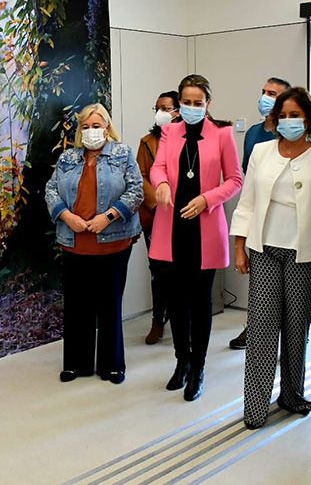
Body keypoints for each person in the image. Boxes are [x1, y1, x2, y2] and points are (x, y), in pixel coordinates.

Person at [230, 87, 311, 428]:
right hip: (264, 249)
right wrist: (239, 246)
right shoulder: (261, 153)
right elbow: (246, 202)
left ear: (309, 119)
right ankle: (255, 405)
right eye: (283, 115)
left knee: (296, 329)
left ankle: (292, 394)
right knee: (262, 329)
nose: (288, 121)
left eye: (296, 115)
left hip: (305, 255)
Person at [150, 74, 243, 401]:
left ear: (208, 104)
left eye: (197, 103)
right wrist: (161, 182)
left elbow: (235, 179)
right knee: (175, 302)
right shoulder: (169, 132)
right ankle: (182, 362)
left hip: (203, 228)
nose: (191, 108)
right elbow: (157, 167)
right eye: (186, 103)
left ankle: (199, 367)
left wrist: (209, 198)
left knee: (200, 303)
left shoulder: (222, 134)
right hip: (171, 228)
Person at [45, 103, 143, 385]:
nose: (91, 132)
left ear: (107, 128)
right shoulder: (68, 157)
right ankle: (77, 364)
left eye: (97, 125)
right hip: (74, 242)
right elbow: (51, 189)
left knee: (109, 305)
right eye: (86, 126)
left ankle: (112, 366)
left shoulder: (122, 154)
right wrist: (66, 216)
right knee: (77, 306)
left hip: (112, 242)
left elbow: (136, 190)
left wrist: (109, 217)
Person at [230, 76, 292, 350]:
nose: (266, 97)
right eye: (264, 91)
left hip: (288, 222)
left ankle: (290, 341)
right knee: (259, 286)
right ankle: (254, 328)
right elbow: (248, 176)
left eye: (273, 93)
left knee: (289, 292)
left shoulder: (294, 132)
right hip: (258, 217)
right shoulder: (254, 133)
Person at [137, 91, 179, 344]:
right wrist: (157, 203)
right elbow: (140, 175)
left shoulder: (190, 138)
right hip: (155, 216)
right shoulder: (147, 142)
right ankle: (157, 321)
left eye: (167, 107)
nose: (161, 112)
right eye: (158, 107)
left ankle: (181, 319)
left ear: (178, 110)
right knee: (159, 271)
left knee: (182, 271)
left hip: (183, 214)